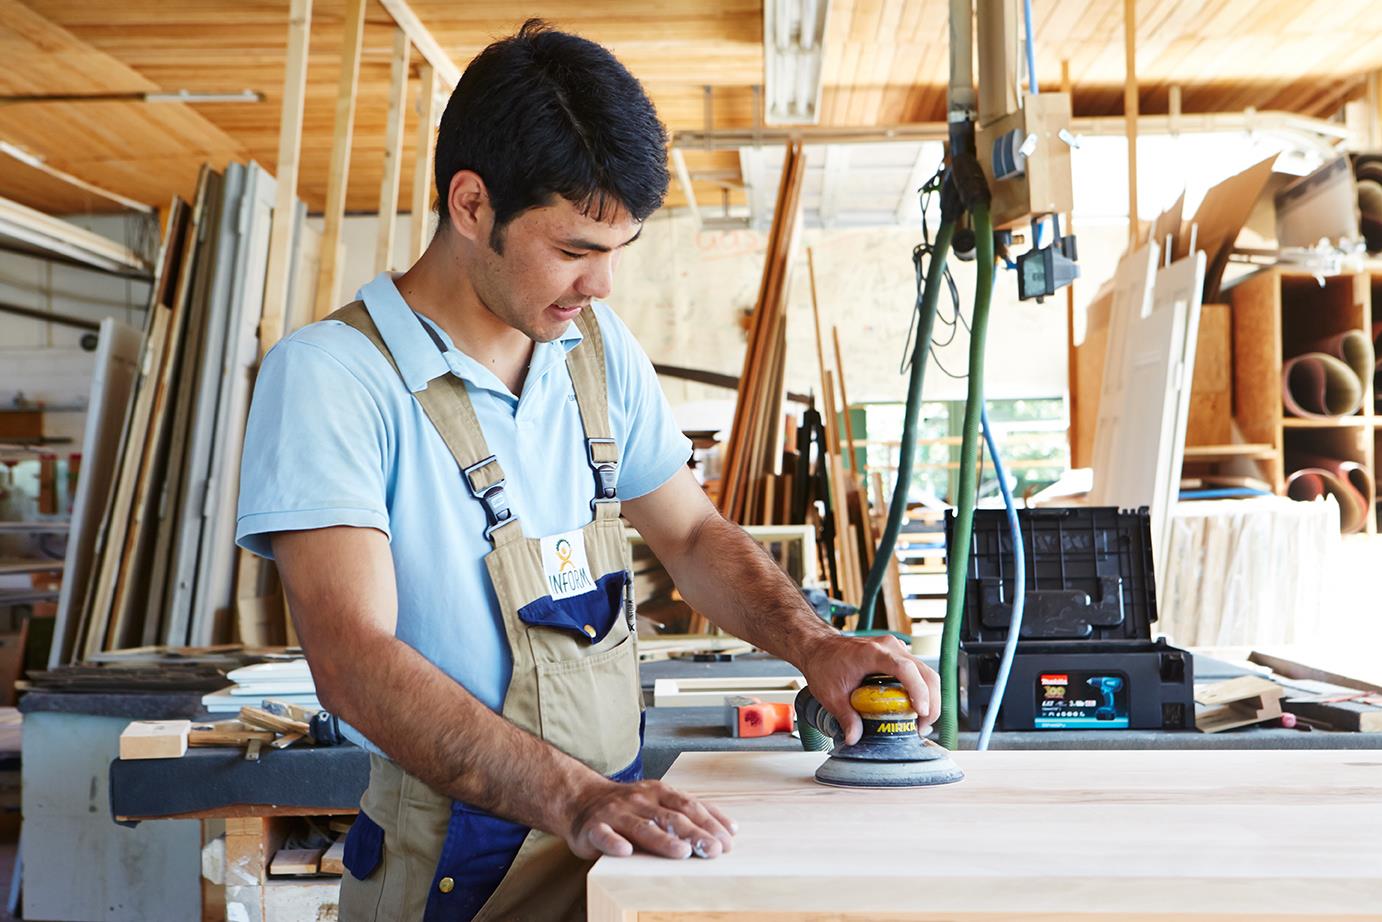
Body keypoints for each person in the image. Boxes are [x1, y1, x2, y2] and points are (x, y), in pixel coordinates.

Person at [236, 19, 941, 922]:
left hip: (612, 842)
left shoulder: (595, 351)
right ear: (471, 205)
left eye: (618, 252)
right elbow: (352, 659)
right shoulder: (334, 377)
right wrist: (571, 797)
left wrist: (813, 643)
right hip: (454, 862)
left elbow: (688, 534)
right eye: (574, 250)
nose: (601, 286)